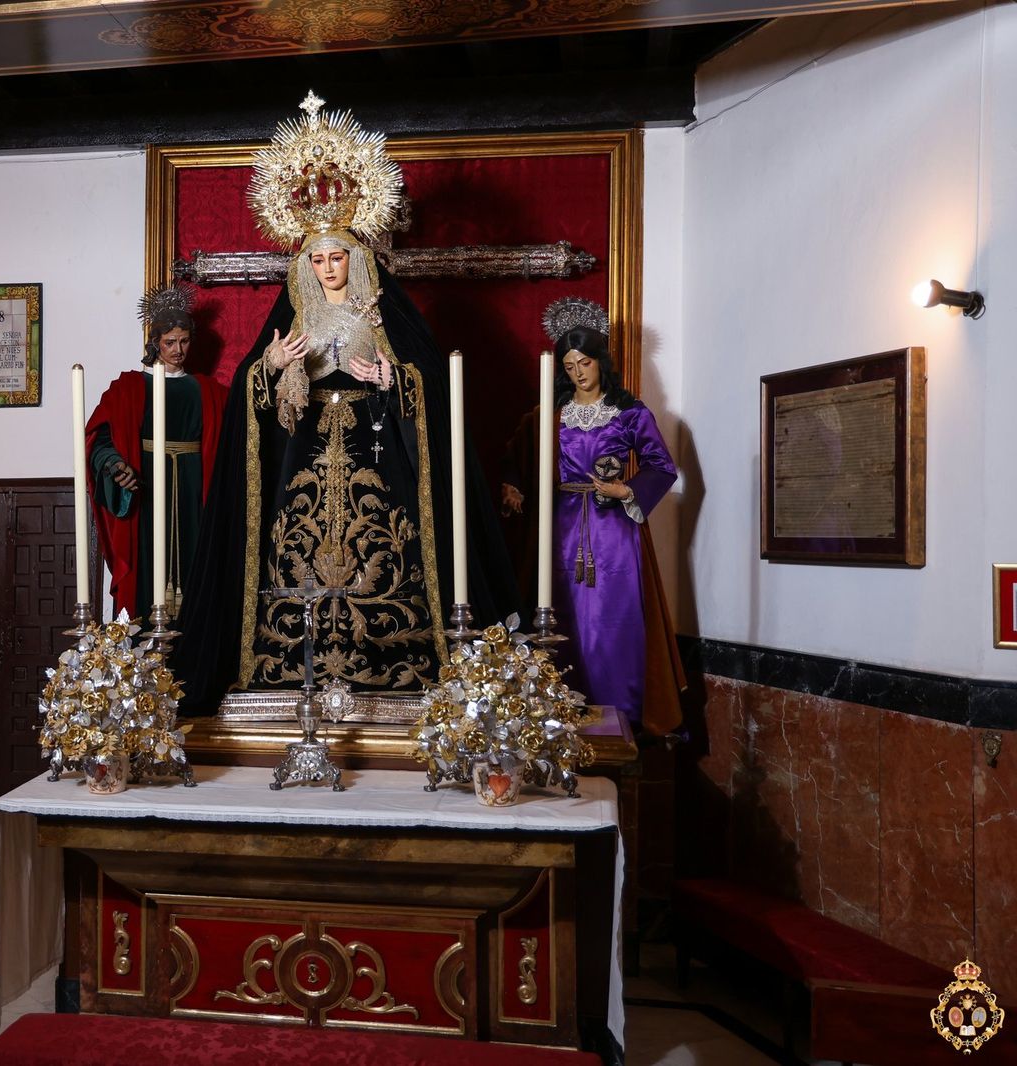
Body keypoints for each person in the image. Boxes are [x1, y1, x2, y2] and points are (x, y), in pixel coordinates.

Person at [174, 91, 517, 710]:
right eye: (319, 259)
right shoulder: (293, 315)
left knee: (388, 547)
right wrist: (273, 368)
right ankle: (286, 667)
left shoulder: (386, 315)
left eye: (338, 257)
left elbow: (431, 385)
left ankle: (395, 662)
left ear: (355, 258)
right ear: (305, 264)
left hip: (377, 452)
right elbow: (255, 396)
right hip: (301, 453)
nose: (329, 267)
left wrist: (393, 380)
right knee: (291, 548)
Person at [500, 298, 683, 732]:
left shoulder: (629, 413)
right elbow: (517, 453)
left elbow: (663, 466)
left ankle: (623, 711)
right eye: (569, 365)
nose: (578, 372)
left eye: (584, 362)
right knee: (562, 615)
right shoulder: (551, 416)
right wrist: (511, 485)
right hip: (561, 525)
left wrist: (627, 489)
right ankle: (557, 710)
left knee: (615, 618)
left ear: (600, 361)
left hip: (615, 529)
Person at [85, 284, 228, 620]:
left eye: (184, 341)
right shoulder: (129, 388)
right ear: (154, 343)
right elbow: (98, 440)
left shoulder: (208, 391)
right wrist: (115, 465)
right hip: (146, 487)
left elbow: (234, 439)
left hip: (195, 490)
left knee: (197, 563)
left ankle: (193, 649)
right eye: (169, 342)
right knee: (146, 562)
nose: (178, 350)